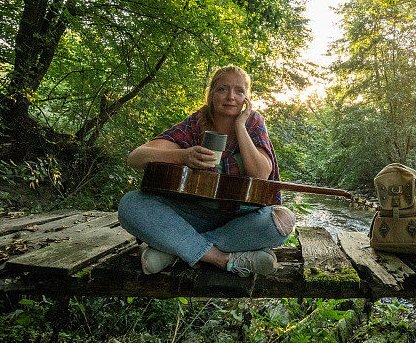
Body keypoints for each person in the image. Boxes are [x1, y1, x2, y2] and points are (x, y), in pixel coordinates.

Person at [118, 65, 296, 276]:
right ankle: (222, 259)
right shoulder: (195, 124)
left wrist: (240, 125)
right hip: (192, 214)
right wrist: (183, 156)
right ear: (211, 95)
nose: (231, 96)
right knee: (131, 204)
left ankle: (175, 251)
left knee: (283, 221)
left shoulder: (253, 123)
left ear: (246, 99)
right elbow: (136, 158)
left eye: (239, 91)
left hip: (240, 219)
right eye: (222, 89)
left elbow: (260, 173)